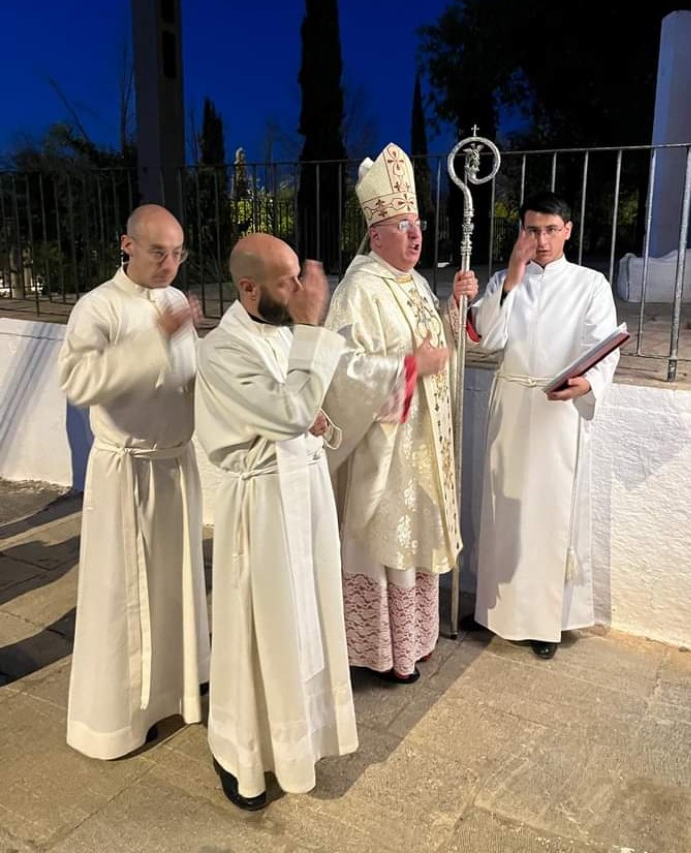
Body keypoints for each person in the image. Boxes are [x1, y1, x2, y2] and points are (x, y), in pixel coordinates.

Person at [195, 233, 358, 811]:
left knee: (305, 620)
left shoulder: (285, 332)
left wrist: (318, 420)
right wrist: (314, 333)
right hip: (261, 505)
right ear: (248, 287)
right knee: (256, 629)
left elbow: (298, 406)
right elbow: (287, 410)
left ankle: (299, 739)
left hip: (303, 493)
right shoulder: (221, 350)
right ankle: (240, 753)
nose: (298, 288)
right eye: (286, 279)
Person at [58, 204, 210, 759]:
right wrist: (153, 340)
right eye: (157, 252)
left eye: (178, 253)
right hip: (127, 471)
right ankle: (118, 720)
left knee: (175, 583)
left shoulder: (172, 300)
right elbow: (77, 380)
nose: (170, 264)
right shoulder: (97, 306)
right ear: (127, 244)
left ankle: (176, 691)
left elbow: (188, 375)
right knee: (124, 594)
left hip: (174, 466)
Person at [323, 142, 477, 684]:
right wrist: (409, 366)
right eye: (403, 225)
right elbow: (341, 374)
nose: (416, 235)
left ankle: (414, 640)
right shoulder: (358, 290)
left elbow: (441, 351)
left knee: (415, 538)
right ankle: (384, 653)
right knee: (385, 541)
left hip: (420, 444)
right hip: (384, 449)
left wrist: (454, 309)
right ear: (376, 234)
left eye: (418, 223)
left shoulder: (412, 283)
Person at [470, 193, 619, 659]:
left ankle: (544, 622)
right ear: (522, 232)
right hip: (512, 405)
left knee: (549, 518)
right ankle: (494, 612)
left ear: (568, 230)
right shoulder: (504, 280)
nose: (542, 240)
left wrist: (587, 384)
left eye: (551, 230)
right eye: (533, 230)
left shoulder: (590, 283)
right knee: (503, 510)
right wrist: (511, 279)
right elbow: (488, 337)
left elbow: (604, 343)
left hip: (557, 413)